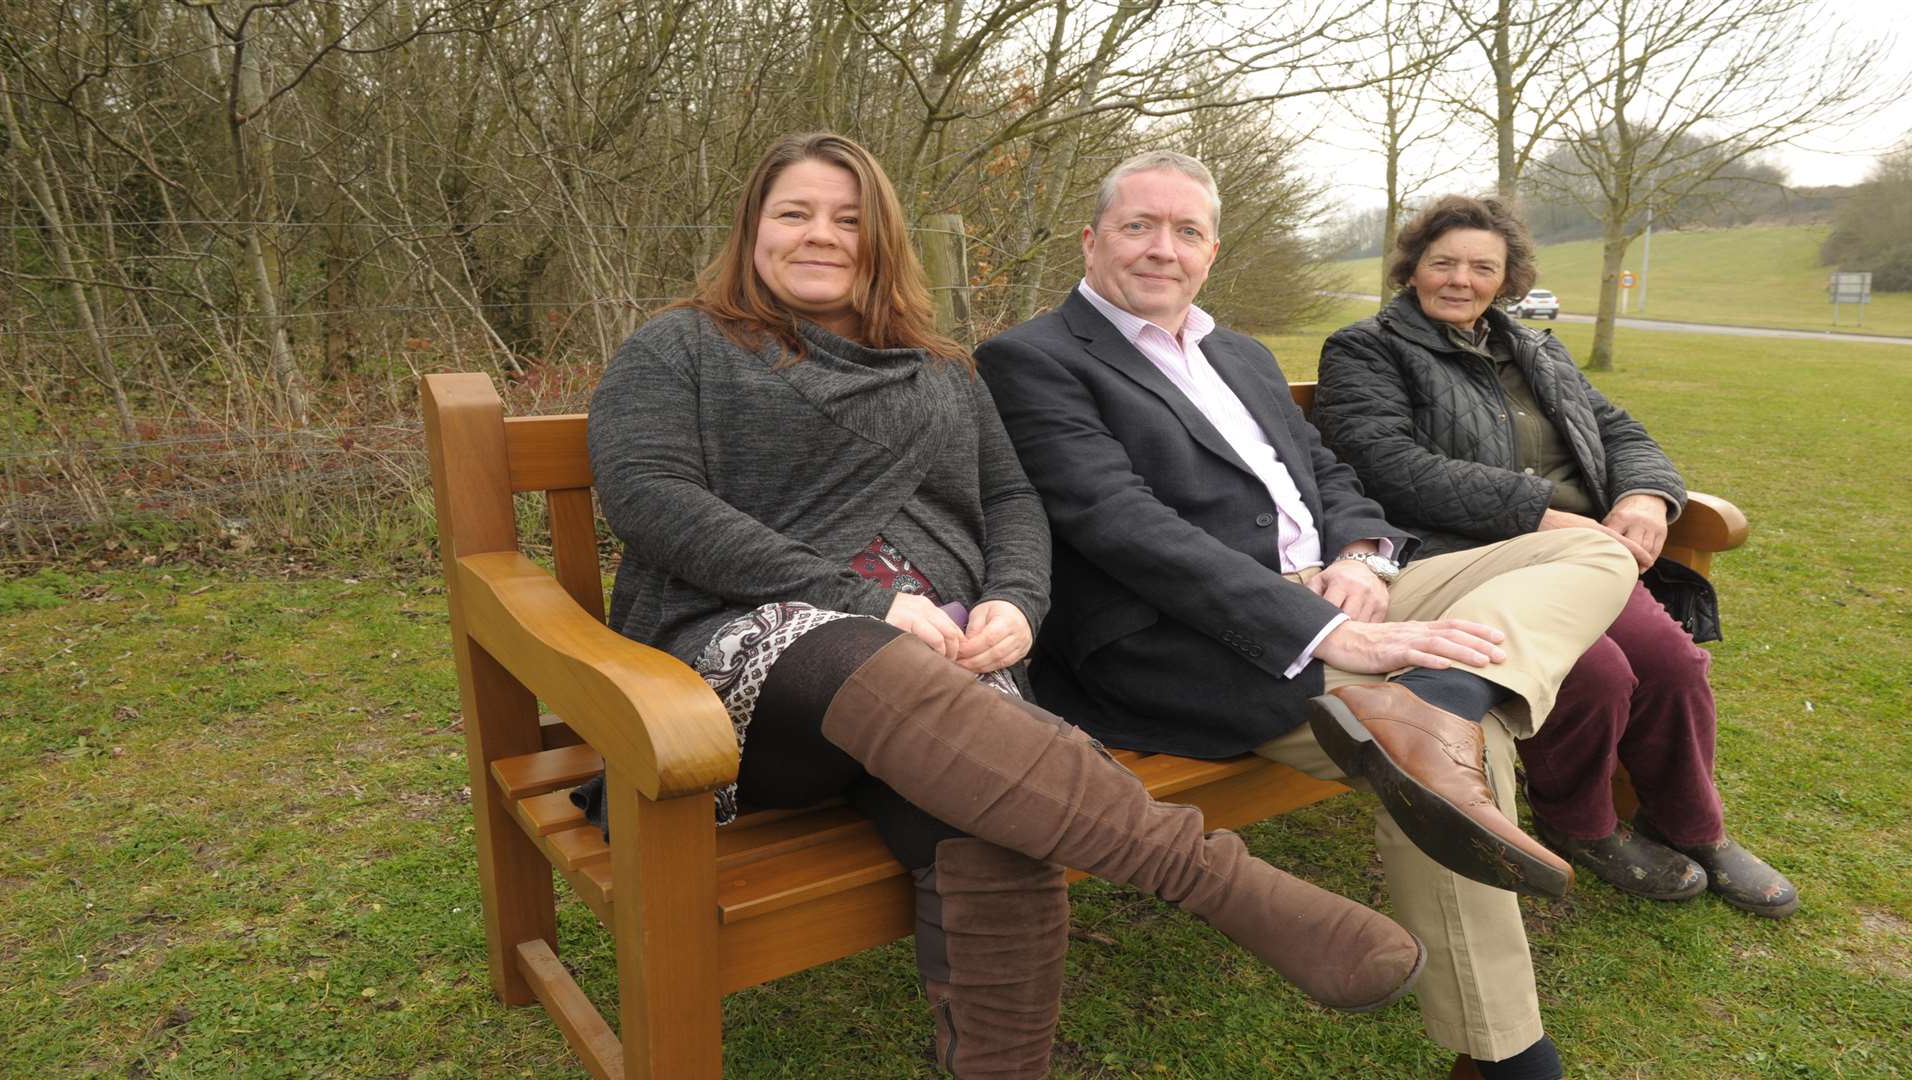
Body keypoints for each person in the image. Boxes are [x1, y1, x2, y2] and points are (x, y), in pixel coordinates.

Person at [582, 133, 1425, 1080]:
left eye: (848, 220)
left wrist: (1017, 604)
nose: (822, 236)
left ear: (881, 243)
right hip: (737, 683)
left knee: (995, 811)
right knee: (881, 663)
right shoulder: (680, 347)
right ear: (751, 231)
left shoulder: (937, 366)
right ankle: (1218, 884)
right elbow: (651, 498)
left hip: (945, 675)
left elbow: (1013, 501)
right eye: (795, 214)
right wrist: (860, 600)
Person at [977, 151, 1643, 1080]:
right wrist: (1330, 632)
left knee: (1592, 547)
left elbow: (1328, 474)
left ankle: (1443, 694)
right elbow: (1121, 526)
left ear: (1212, 251)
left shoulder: (1238, 353)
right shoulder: (1030, 361)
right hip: (1198, 636)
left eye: (1186, 231)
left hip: (1339, 588)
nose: (1162, 249)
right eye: (1139, 226)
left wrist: (1364, 559)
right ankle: (1506, 1057)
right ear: (1092, 240)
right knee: (1475, 746)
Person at [1311, 193, 1798, 920]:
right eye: (1442, 263)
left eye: (1483, 266)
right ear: (1412, 269)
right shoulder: (1366, 349)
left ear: (1507, 279)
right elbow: (1388, 465)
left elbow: (1620, 429)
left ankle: (1690, 826)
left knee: (1672, 664)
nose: (1460, 279)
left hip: (1579, 550)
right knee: (1596, 670)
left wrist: (1643, 496)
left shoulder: (1532, 347)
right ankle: (1580, 826)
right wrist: (1536, 510)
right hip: (1466, 556)